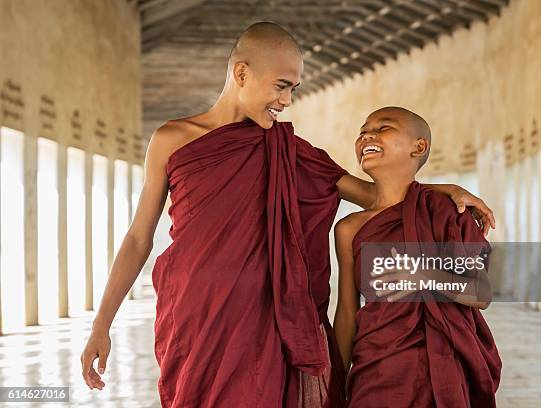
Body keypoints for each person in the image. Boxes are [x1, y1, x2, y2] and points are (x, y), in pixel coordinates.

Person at [80, 23, 496, 407]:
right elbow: (138, 238)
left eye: (293, 88)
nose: (286, 100)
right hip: (196, 316)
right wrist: (102, 324)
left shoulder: (290, 151)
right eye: (280, 86)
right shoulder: (172, 139)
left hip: (271, 323)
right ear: (241, 73)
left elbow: (377, 194)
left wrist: (443, 190)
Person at [333, 107, 502, 407]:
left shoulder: (448, 212)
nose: (367, 135)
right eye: (362, 131)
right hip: (378, 368)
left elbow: (480, 292)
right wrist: (334, 385)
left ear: (419, 147)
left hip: (442, 366)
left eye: (384, 127)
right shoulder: (349, 229)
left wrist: (424, 275)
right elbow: (346, 312)